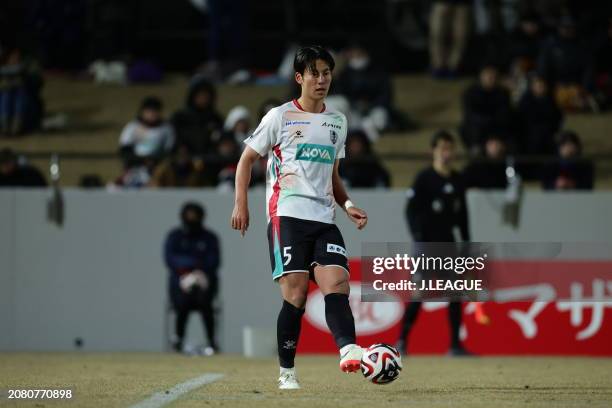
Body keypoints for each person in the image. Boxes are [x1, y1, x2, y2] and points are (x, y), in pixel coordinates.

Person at [230, 46, 368, 390]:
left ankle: (348, 350)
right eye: (314, 73)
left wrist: (348, 203)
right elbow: (246, 160)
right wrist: (240, 204)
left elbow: (333, 177)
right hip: (287, 216)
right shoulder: (279, 117)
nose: (321, 80)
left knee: (337, 284)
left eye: (326, 73)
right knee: (295, 296)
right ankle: (287, 372)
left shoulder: (338, 122)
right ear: (299, 78)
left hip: (324, 219)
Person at [395, 130, 471, 356]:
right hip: (426, 245)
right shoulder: (424, 178)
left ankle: (455, 346)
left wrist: (466, 242)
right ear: (434, 151)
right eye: (442, 148)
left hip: (448, 245)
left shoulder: (458, 180)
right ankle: (402, 342)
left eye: (450, 148)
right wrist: (418, 236)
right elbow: (410, 211)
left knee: (455, 294)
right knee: (419, 294)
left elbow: (463, 214)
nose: (447, 153)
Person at [164, 202, 220, 354]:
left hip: (204, 282)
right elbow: (170, 259)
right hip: (180, 283)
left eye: (195, 216)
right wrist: (189, 271)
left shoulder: (210, 237)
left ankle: (211, 341)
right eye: (189, 216)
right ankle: (178, 340)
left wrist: (198, 273)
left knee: (204, 302)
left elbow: (214, 261)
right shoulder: (175, 236)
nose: (192, 219)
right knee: (183, 302)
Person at [460, 64, 513, 154]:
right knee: (467, 126)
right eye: (487, 75)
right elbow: (470, 114)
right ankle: (476, 150)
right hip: (478, 130)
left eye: (493, 75)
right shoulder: (470, 93)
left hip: (497, 129)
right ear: (481, 76)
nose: (490, 78)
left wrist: (495, 139)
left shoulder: (503, 93)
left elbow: (505, 114)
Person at [171, 76, 223, 158]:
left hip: (209, 160)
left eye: (206, 96)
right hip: (183, 159)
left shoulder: (216, 119)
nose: (203, 99)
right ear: (193, 96)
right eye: (200, 95)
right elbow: (172, 138)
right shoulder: (180, 117)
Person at [118, 96, 175, 165]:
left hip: (158, 164)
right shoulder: (132, 127)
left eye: (154, 111)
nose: (151, 114)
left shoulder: (166, 128)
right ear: (142, 112)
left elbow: (169, 150)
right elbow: (125, 149)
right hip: (136, 164)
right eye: (148, 112)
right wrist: (140, 160)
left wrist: (155, 160)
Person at [517, 74, 563, 155]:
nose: (540, 87)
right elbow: (521, 121)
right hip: (529, 135)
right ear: (532, 86)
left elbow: (557, 119)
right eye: (538, 85)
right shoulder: (525, 101)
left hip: (548, 135)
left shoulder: (551, 101)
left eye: (542, 85)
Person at [429, 0, 472, 78]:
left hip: (463, 4)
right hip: (441, 2)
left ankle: (453, 66)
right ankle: (438, 65)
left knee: (460, 36)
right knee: (437, 32)